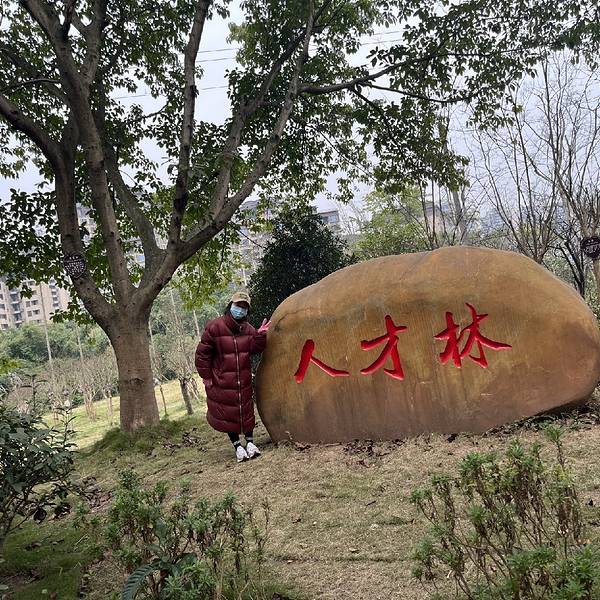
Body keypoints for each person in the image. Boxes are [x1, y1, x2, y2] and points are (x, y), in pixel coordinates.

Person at [195, 291, 271, 462]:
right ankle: (237, 446)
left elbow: (254, 349)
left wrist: (260, 336)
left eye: (244, 307)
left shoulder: (248, 329)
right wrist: (206, 375)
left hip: (242, 379)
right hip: (222, 380)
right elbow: (202, 354)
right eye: (238, 305)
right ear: (230, 305)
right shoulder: (215, 327)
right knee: (228, 412)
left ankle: (250, 443)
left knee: (246, 410)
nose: (240, 310)